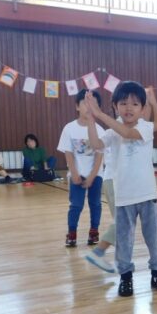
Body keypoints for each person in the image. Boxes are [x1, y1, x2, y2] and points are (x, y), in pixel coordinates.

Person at [84, 82, 157, 297]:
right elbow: (96, 144)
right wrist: (91, 119)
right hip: (124, 196)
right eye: (123, 103)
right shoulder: (113, 133)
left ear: (142, 109)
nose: (129, 108)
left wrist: (154, 103)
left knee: (154, 239)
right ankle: (126, 277)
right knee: (124, 241)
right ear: (115, 106)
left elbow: (128, 132)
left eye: (135, 103)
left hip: (147, 194)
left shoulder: (144, 127)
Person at [58, 90, 105, 248]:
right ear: (77, 106)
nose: (88, 106)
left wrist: (92, 175)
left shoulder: (100, 130)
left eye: (93, 103)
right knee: (76, 205)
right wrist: (75, 173)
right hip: (76, 174)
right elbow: (69, 153)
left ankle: (94, 231)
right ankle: (72, 233)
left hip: (96, 174)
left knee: (95, 203)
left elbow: (99, 155)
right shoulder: (69, 129)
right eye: (85, 102)